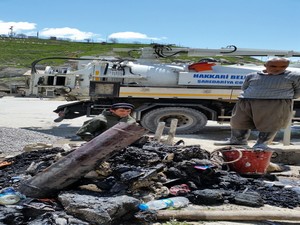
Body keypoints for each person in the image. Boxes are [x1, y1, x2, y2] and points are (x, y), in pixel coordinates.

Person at [215, 57, 300, 149]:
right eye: (273, 66)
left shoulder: (294, 76)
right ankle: (237, 141)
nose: (278, 68)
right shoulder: (252, 75)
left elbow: (297, 92)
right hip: (246, 101)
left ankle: (261, 144)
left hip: (275, 103)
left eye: (283, 66)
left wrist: (282, 97)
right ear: (265, 65)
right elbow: (244, 87)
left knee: (270, 124)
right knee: (238, 122)